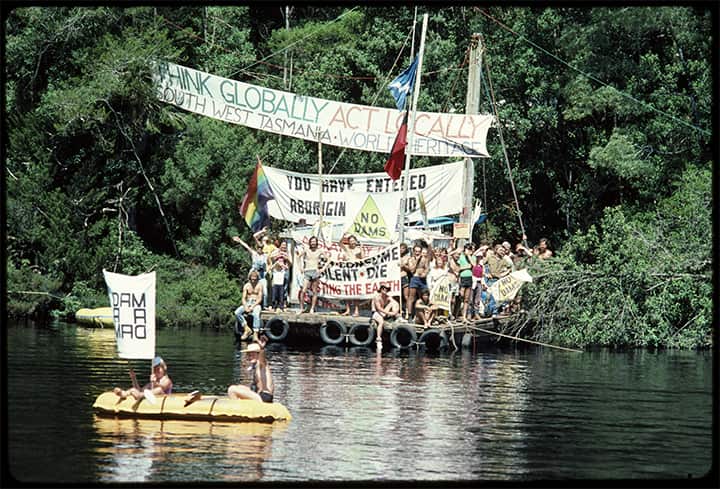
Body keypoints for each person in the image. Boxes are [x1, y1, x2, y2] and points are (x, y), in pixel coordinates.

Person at [232, 235, 269, 308]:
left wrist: (268, 270)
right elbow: (247, 246)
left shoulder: (265, 255)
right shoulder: (254, 254)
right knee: (250, 289)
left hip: (262, 274)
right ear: (256, 248)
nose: (259, 249)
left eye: (261, 248)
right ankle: (248, 302)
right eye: (258, 248)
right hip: (254, 274)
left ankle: (264, 305)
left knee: (265, 292)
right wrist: (239, 240)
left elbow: (269, 262)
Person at [297, 236, 328, 314]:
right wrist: (300, 267)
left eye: (314, 241)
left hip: (315, 271)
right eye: (312, 241)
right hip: (307, 271)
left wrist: (323, 268)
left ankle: (312, 308)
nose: (313, 243)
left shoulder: (319, 250)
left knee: (314, 291)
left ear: (316, 242)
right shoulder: (307, 250)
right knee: (303, 290)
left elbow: (328, 259)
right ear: (310, 242)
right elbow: (298, 257)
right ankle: (301, 308)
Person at [234, 270, 264, 341]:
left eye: (255, 278)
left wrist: (253, 306)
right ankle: (246, 328)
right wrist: (245, 306)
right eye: (252, 278)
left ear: (257, 278)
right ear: (249, 277)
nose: (253, 280)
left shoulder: (260, 285)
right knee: (237, 312)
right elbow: (243, 298)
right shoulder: (246, 285)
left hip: (256, 304)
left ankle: (255, 334)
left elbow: (260, 298)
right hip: (248, 303)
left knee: (256, 314)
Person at [340, 234, 364, 316]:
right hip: (347, 272)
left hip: (356, 273)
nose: (352, 242)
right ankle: (348, 310)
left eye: (353, 240)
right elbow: (340, 243)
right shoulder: (347, 248)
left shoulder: (358, 249)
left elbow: (363, 258)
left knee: (355, 292)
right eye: (350, 241)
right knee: (346, 291)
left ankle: (356, 311)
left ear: (356, 241)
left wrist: (361, 248)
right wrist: (343, 235)